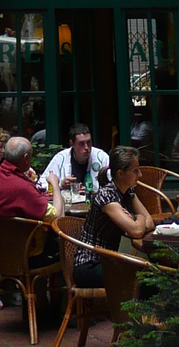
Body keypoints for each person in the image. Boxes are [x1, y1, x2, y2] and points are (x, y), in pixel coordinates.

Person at [73, 146, 155, 286]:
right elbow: (136, 231)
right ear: (121, 174)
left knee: (150, 276)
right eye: (135, 171)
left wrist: (136, 219)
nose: (140, 175)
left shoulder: (128, 192)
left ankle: (130, 308)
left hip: (108, 261)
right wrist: (139, 218)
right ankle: (126, 308)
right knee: (145, 280)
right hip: (89, 264)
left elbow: (150, 222)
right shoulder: (107, 196)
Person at [43, 123, 110, 196]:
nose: (86, 147)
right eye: (81, 144)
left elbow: (113, 185)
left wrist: (93, 191)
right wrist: (60, 184)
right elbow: (41, 185)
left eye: (89, 142)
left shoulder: (101, 157)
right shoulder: (60, 158)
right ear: (72, 144)